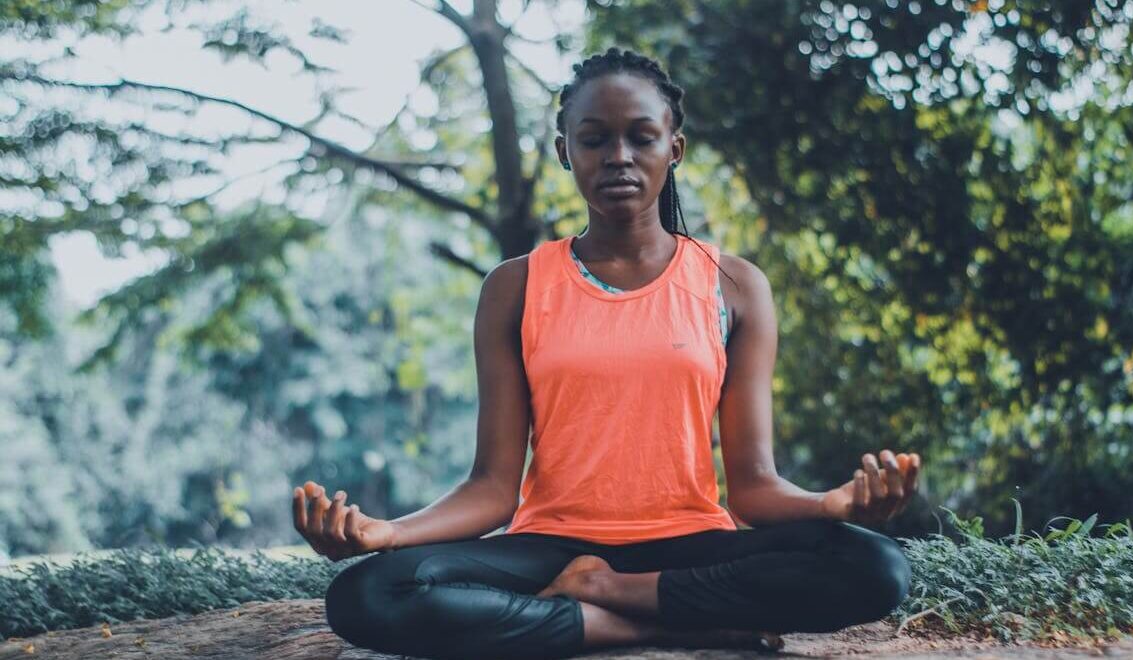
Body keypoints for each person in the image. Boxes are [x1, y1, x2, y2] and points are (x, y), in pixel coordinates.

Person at [291, 47, 922, 660]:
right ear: (567, 152)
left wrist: (833, 505)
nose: (618, 156)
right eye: (594, 139)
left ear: (673, 148)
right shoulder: (516, 287)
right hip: (549, 547)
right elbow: (491, 489)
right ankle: (646, 629)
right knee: (369, 593)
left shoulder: (734, 286)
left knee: (875, 566)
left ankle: (606, 595)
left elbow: (753, 489)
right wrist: (387, 533)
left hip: (689, 545)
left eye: (641, 137)